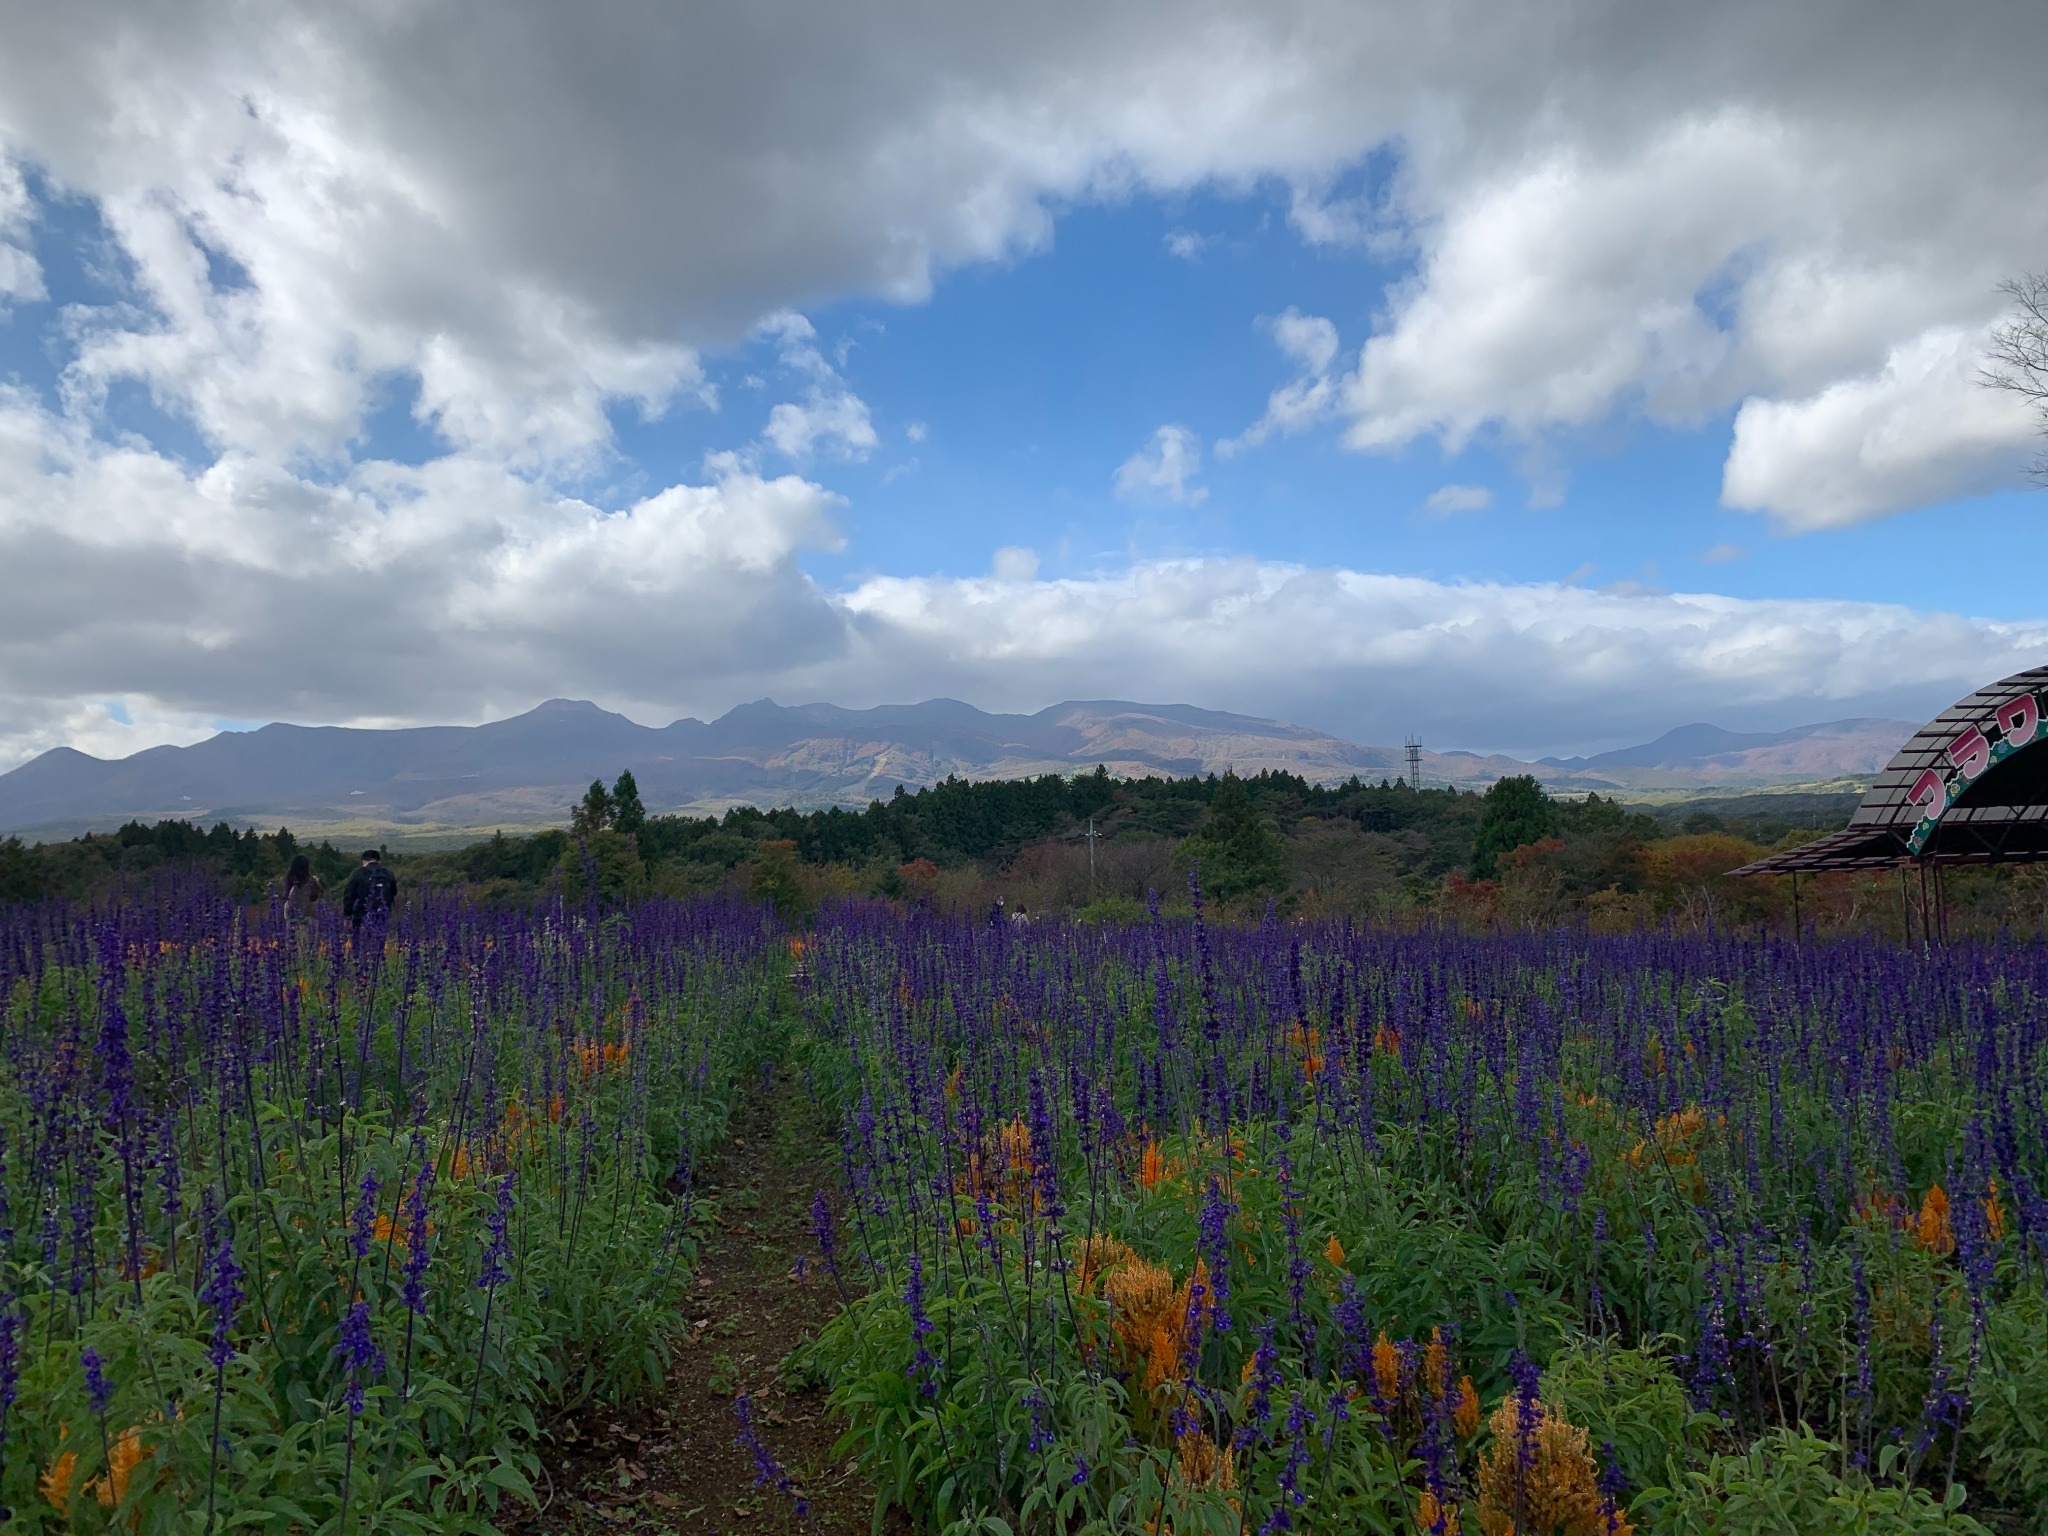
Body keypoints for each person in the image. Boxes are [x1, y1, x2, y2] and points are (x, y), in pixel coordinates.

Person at [341, 849, 398, 932]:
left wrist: (348, 916)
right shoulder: (388, 874)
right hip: (382, 914)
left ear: (364, 861)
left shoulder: (357, 874)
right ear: (379, 861)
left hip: (361, 916)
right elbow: (394, 892)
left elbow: (348, 896)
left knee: (361, 940)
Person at [281, 854, 322, 922]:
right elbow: (317, 896)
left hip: (290, 914)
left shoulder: (287, 880)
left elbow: (284, 896)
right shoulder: (311, 881)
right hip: (309, 914)